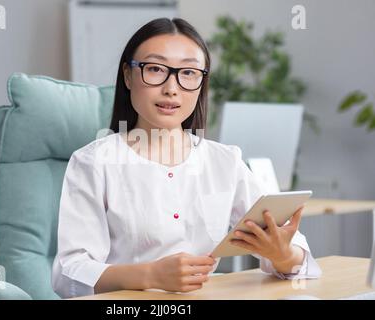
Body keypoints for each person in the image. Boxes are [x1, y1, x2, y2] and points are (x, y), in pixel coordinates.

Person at [51, 17, 321, 298]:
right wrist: (150, 275)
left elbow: (296, 259)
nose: (172, 88)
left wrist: (282, 254)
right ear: (128, 76)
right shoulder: (94, 162)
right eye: (155, 69)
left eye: (189, 73)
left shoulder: (225, 161)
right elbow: (68, 273)